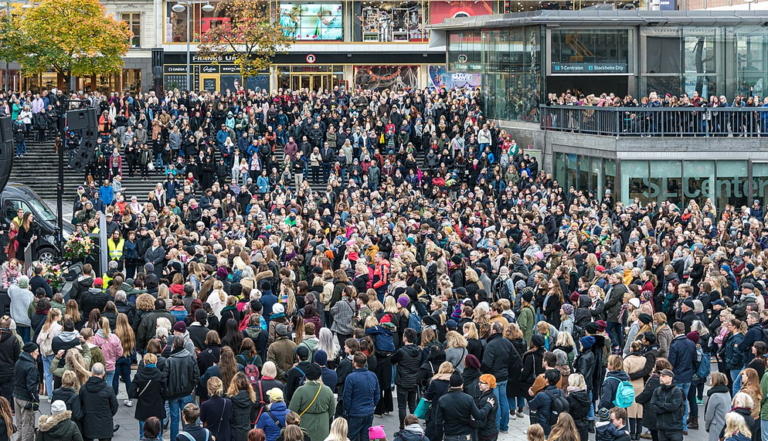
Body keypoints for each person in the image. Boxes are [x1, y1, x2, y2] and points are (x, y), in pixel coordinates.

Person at [434, 372, 495, 441]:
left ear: (450, 384)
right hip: (465, 435)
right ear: (462, 384)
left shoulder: (442, 400)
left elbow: (438, 422)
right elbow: (479, 415)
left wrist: (440, 436)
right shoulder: (468, 398)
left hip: (450, 435)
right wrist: (488, 405)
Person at [481, 321, 515, 433]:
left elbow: (486, 363)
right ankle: (504, 426)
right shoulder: (507, 342)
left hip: (493, 377)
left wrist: (484, 371)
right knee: (503, 401)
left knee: (495, 402)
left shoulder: (491, 344)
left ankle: (496, 427)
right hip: (504, 375)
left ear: (494, 330)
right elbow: (514, 358)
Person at [288, 363, 335, 441]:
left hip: (304, 425)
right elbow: (332, 410)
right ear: (320, 376)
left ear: (306, 376)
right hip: (323, 426)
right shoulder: (328, 390)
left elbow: (292, 411)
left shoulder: (300, 390)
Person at [166, 335, 201, 441]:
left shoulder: (170, 360)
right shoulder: (190, 357)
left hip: (173, 393)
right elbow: (196, 375)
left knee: (175, 419)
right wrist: (192, 386)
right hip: (186, 392)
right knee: (187, 418)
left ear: (174, 345)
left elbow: (166, 377)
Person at [128, 353, 167, 440]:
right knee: (158, 433)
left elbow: (131, 392)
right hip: (157, 407)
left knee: (143, 434)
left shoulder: (139, 375)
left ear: (144, 363)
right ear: (156, 362)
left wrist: (140, 395)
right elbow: (165, 393)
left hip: (143, 408)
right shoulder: (161, 375)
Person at [343, 352, 380, 441]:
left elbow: (347, 397)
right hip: (369, 412)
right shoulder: (373, 376)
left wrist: (347, 411)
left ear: (355, 363)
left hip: (355, 413)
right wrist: (372, 405)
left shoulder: (351, 377)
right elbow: (377, 394)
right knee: (365, 437)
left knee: (351, 436)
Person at [390, 328, 421, 430]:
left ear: (405, 338)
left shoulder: (401, 351)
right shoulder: (419, 351)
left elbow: (392, 360)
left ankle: (402, 426)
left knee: (402, 406)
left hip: (403, 381)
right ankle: (414, 426)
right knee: (412, 404)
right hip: (414, 381)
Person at [79, 363, 119, 441]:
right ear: (103, 373)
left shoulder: (84, 388)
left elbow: (80, 404)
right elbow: (114, 406)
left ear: (92, 372)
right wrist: (108, 415)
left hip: (88, 422)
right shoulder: (108, 389)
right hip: (105, 423)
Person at [668, 322, 695, 434]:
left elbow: (671, 363)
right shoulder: (691, 343)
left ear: (675, 331)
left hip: (678, 376)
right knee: (684, 401)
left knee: (677, 402)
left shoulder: (675, 345)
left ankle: (679, 425)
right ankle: (684, 426)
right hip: (688, 375)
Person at [528, 369, 567, 435]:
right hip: (556, 426)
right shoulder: (561, 392)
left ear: (546, 380)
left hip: (543, 427)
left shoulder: (542, 395)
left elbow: (531, 405)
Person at [650, 369, 685, 441]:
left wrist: (659, 404)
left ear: (670, 378)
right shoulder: (657, 390)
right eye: (660, 376)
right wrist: (666, 409)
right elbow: (652, 406)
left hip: (675, 429)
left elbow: (673, 407)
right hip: (661, 428)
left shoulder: (677, 391)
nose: (660, 378)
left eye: (663, 376)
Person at [13, 342, 39, 441]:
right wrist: (36, 400)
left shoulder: (18, 362)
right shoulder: (31, 367)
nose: (38, 353)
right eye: (37, 351)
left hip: (16, 396)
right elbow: (31, 386)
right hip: (26, 399)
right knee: (28, 426)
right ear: (31, 352)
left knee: (20, 425)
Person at [200, 377, 233, 441]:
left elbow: (202, 419)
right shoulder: (228, 402)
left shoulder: (205, 405)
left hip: (211, 436)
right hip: (225, 436)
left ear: (209, 389)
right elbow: (231, 419)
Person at [706, 372, 731, 441]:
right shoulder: (727, 392)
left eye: (711, 378)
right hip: (725, 425)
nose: (709, 379)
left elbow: (709, 414)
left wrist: (707, 426)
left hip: (716, 427)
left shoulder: (714, 395)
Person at [566, 373, 591, 441]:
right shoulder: (586, 396)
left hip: (573, 426)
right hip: (584, 424)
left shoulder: (571, 398)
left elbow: (568, 413)